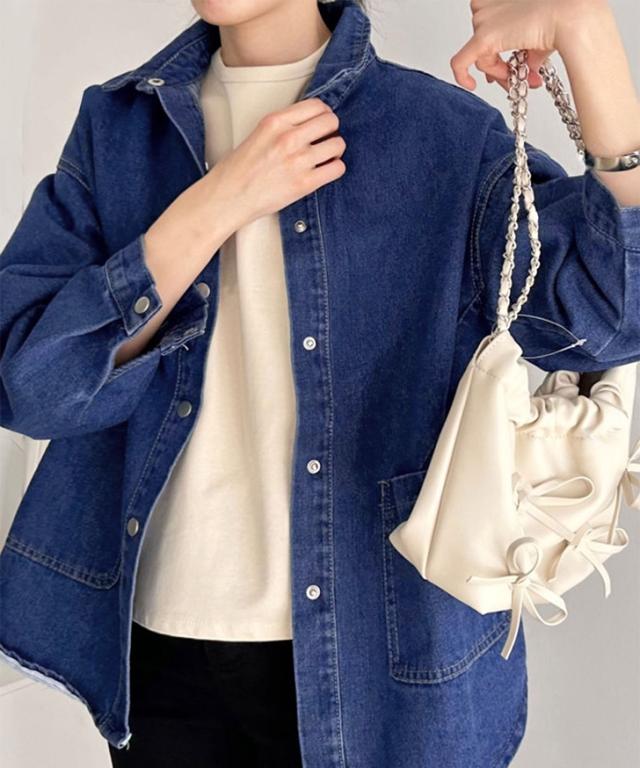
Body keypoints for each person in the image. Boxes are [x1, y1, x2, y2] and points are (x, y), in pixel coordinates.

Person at [1, 1, 639, 766]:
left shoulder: (440, 135)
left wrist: (587, 31)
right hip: (160, 656)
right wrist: (217, 202)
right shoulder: (120, 131)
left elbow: (612, 315)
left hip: (382, 662)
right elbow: (31, 387)